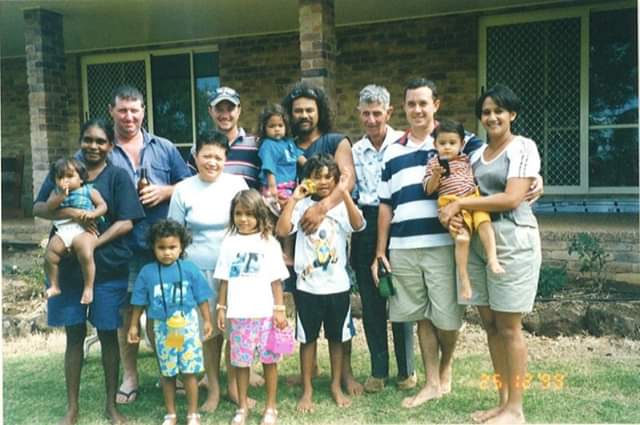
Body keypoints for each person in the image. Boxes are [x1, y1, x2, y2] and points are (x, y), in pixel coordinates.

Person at [373, 78, 485, 409]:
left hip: (442, 244)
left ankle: (445, 368)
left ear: (436, 104)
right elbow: (385, 204)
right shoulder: (392, 151)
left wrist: (533, 180)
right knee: (421, 315)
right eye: (411, 104)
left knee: (447, 317)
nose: (417, 110)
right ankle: (432, 381)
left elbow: (494, 162)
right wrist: (381, 250)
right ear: (403, 108)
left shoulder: (458, 142)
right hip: (403, 246)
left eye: (423, 103)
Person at [439, 85, 542, 425]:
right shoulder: (475, 153)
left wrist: (462, 204)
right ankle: (502, 403)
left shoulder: (523, 146)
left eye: (499, 110)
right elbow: (454, 186)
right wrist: (451, 211)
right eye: (486, 111)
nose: (492, 116)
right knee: (491, 325)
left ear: (512, 114)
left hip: (512, 237)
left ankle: (516, 408)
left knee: (510, 327)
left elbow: (512, 198)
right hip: (478, 242)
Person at [33, 118, 145, 425]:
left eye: (100, 141)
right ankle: (72, 407)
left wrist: (93, 244)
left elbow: (126, 221)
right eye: (88, 140)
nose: (93, 146)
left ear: (110, 146)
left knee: (109, 334)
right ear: (81, 141)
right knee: (74, 335)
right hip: (68, 271)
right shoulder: (64, 171)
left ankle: (111, 405)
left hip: (107, 270)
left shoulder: (118, 177)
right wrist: (70, 213)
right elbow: (39, 208)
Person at [107, 84, 192, 405]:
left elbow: (187, 183)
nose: (129, 117)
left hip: (160, 247)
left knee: (163, 313)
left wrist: (165, 192)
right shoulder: (102, 148)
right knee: (126, 314)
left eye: (135, 110)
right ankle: (130, 376)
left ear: (144, 111)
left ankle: (167, 371)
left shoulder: (165, 147)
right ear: (112, 112)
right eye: (123, 110)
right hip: (120, 246)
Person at [282, 81, 362, 396]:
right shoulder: (284, 143)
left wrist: (321, 208)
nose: (303, 115)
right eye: (298, 110)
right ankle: (309, 375)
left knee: (339, 323)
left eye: (309, 109)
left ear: (320, 112)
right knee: (308, 316)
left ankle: (345, 375)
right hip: (298, 233)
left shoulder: (333, 140)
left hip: (330, 229)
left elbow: (347, 179)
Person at [276, 154, 365, 413]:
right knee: (308, 339)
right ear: (308, 179)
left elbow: (358, 225)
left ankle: (336, 385)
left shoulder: (339, 207)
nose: (324, 181)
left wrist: (344, 192)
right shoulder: (302, 206)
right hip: (308, 288)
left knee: (337, 339)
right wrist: (294, 198)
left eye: (329, 176)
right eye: (318, 176)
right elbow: (282, 231)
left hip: (337, 286)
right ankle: (307, 389)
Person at [168, 130, 248, 411]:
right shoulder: (183, 189)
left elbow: (249, 221)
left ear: (226, 158)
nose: (212, 162)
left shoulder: (237, 184)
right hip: (197, 273)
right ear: (195, 156)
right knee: (209, 333)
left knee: (234, 330)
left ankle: (234, 388)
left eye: (218, 156)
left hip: (235, 272)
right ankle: (213, 389)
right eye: (206, 156)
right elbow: (174, 235)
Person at [350, 84, 416, 393]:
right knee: (372, 299)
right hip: (365, 223)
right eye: (366, 114)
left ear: (389, 112)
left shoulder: (405, 144)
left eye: (377, 113)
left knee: (400, 296)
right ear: (359, 114)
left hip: (399, 222)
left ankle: (407, 370)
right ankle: (378, 370)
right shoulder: (355, 150)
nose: (372, 120)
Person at [214, 189, 289, 425]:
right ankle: (243, 406)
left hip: (265, 312)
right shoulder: (228, 243)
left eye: (249, 214)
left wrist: (279, 308)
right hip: (239, 314)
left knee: (269, 361)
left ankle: (270, 407)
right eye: (238, 214)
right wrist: (221, 307)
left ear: (260, 215)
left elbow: (276, 280)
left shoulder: (269, 243)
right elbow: (224, 278)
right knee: (241, 362)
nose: (243, 219)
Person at [128, 220, 213, 425]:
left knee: (189, 371)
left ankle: (193, 413)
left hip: (188, 327)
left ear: (181, 246)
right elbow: (139, 301)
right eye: (161, 248)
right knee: (168, 371)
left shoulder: (190, 269)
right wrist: (133, 325)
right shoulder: (147, 273)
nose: (167, 252)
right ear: (153, 247)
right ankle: (171, 413)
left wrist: (207, 320)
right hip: (164, 328)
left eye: (172, 247)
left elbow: (202, 297)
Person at [424, 118, 505, 300]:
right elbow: (429, 189)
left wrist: (535, 179)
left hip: (472, 198)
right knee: (462, 239)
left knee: (484, 223)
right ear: (434, 144)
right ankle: (464, 279)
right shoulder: (433, 164)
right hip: (450, 202)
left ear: (461, 143)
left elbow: (490, 164)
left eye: (452, 143)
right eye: (442, 143)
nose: (447, 147)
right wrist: (436, 175)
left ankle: (493, 258)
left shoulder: (468, 158)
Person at [44, 157, 108, 304]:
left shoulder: (88, 190)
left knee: (85, 252)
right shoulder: (56, 193)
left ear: (81, 179)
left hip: (85, 230)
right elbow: (49, 207)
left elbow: (103, 206)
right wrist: (61, 196)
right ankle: (54, 285)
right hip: (63, 229)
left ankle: (88, 287)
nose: (65, 180)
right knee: (50, 254)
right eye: (60, 177)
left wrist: (93, 214)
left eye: (70, 176)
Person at [191, 86, 262, 190]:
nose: (225, 115)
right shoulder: (198, 149)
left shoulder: (256, 146)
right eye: (219, 109)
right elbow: (190, 185)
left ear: (239, 110)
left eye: (230, 109)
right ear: (210, 111)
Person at [257, 103, 304, 210]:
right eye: (272, 126)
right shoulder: (268, 145)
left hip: (290, 187)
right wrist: (273, 191)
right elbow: (269, 169)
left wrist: (314, 166)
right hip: (276, 188)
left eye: (280, 125)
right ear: (264, 128)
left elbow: (299, 157)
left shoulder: (289, 142)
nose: (277, 129)